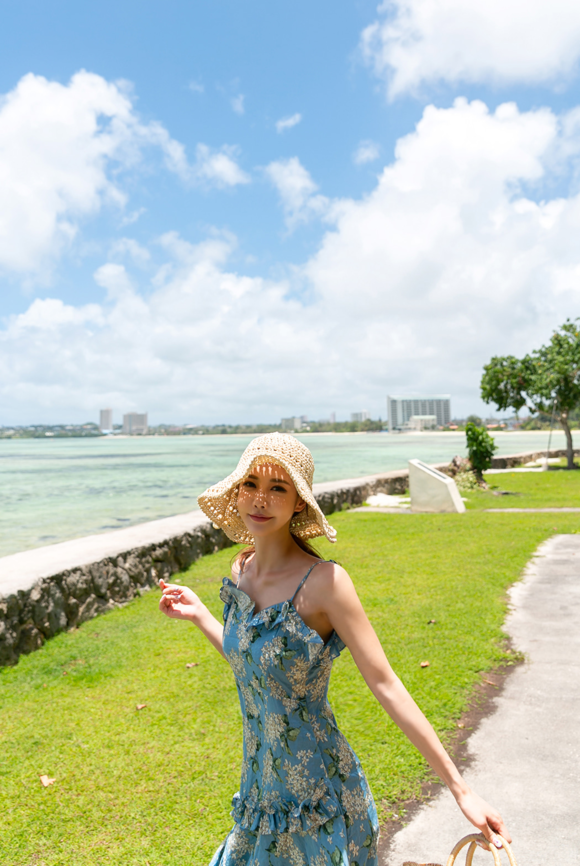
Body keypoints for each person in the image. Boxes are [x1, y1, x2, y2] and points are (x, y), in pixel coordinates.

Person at [159, 433, 510, 865]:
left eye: (278, 488)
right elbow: (252, 665)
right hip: (259, 789)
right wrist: (201, 617)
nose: (260, 499)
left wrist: (461, 789)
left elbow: (386, 684)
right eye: (250, 484)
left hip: (317, 795)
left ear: (300, 502)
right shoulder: (241, 571)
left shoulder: (325, 583)